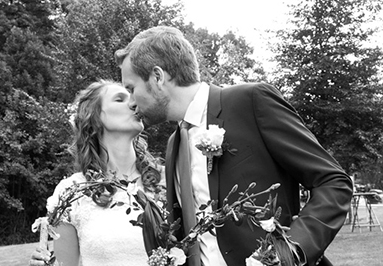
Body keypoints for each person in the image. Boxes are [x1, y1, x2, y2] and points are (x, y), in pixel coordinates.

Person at [114, 26, 353, 266]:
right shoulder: (173, 144)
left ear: (157, 77)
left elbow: (333, 182)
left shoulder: (250, 102)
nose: (131, 103)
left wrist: (289, 252)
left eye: (131, 89)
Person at [29, 80, 164, 266]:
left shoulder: (168, 179)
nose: (134, 103)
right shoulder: (71, 193)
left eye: (132, 96)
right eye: (119, 99)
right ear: (94, 120)